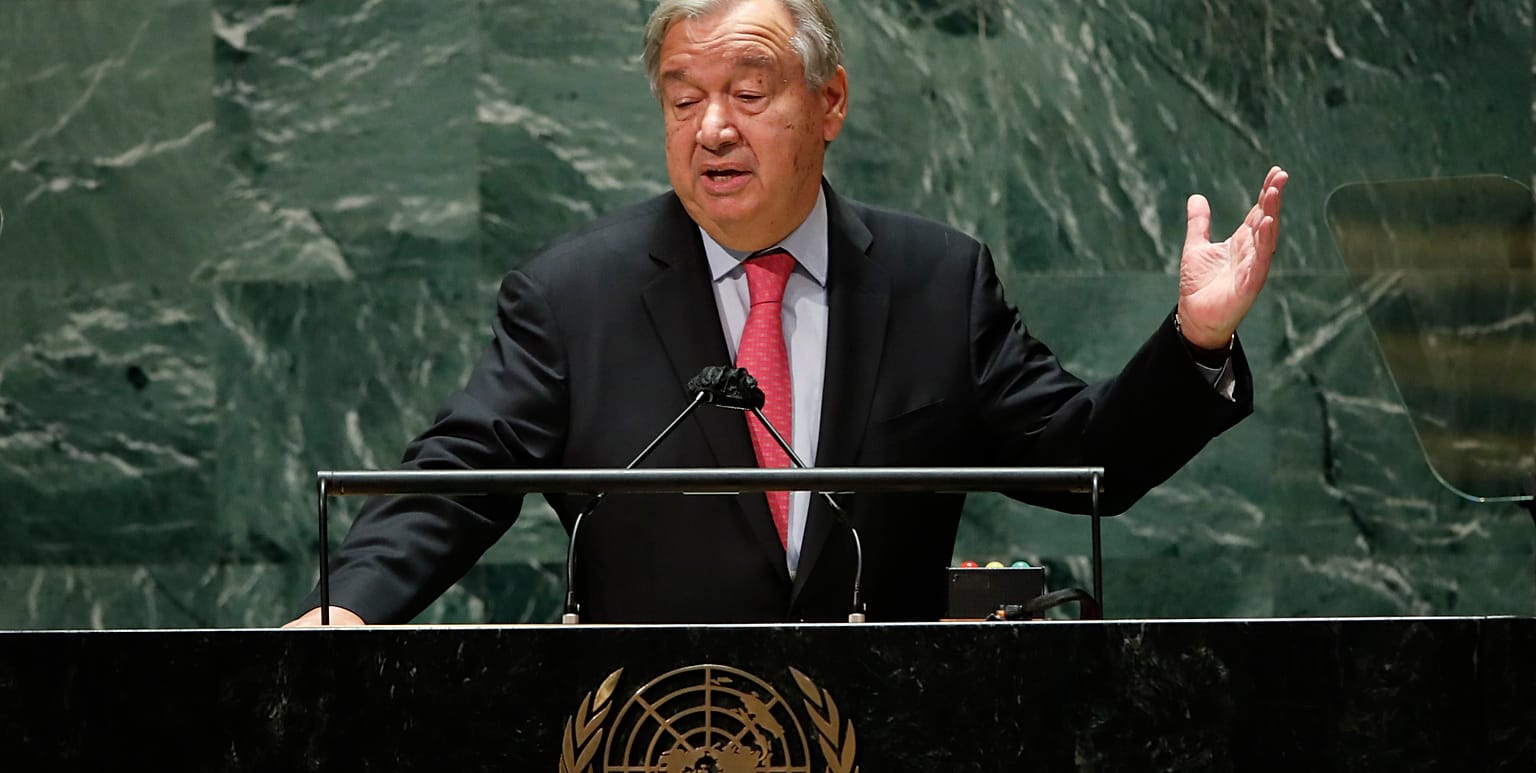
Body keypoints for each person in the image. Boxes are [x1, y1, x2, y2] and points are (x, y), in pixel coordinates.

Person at [287, 0, 1286, 627]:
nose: (711, 127)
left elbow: (1087, 463)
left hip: (890, 765)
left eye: (748, 90)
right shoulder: (573, 296)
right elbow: (459, 479)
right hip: (649, 767)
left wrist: (1196, 339)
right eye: (682, 99)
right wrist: (345, 610)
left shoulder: (936, 284)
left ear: (831, 102)